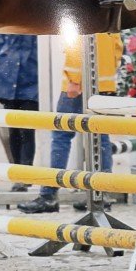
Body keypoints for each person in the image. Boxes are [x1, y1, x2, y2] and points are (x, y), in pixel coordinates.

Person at [17, 33, 123, 213]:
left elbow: (76, 44)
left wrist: (74, 79)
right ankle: (102, 194)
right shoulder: (109, 13)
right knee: (101, 136)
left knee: (61, 135)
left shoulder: (83, 9)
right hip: (105, 83)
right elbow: (118, 48)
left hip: (80, 82)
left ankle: (48, 195)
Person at [0, 34, 39, 192]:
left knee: (27, 131)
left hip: (30, 81)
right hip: (9, 81)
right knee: (13, 131)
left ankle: (24, 176)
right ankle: (18, 175)